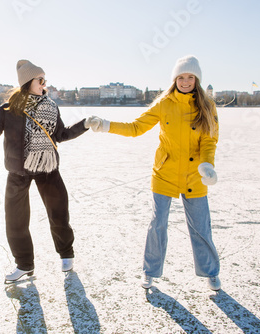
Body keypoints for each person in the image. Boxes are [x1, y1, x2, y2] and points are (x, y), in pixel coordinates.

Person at [88, 55, 221, 291]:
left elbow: (210, 140)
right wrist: (106, 125)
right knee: (157, 224)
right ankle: (150, 271)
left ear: (197, 80)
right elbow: (136, 128)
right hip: (165, 173)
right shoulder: (164, 103)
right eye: (181, 77)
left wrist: (207, 165)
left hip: (195, 175)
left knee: (201, 227)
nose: (186, 81)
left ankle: (210, 272)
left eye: (190, 77)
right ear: (175, 79)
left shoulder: (207, 106)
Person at [0, 60, 91, 283]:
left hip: (48, 169)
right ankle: (24, 265)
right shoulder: (7, 111)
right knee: (16, 221)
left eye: (45, 79)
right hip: (18, 171)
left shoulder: (51, 107)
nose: (44, 84)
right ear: (28, 82)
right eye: (40, 79)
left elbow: (61, 135)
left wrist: (84, 125)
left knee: (59, 214)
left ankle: (66, 253)